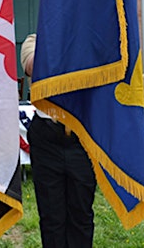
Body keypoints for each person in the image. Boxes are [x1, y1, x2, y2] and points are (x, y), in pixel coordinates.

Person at [20, 33, 97, 247]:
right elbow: (32, 66)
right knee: (52, 216)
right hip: (47, 136)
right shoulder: (34, 41)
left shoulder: (86, 40)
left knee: (81, 213)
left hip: (81, 136)